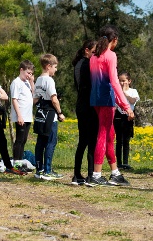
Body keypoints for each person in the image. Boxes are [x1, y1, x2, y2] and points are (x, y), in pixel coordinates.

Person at [89, 25, 134, 186]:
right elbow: (115, 82)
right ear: (114, 40)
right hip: (107, 100)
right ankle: (96, 174)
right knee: (103, 135)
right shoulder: (111, 55)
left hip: (95, 99)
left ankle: (115, 172)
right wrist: (126, 106)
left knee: (109, 135)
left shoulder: (94, 57)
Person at [33, 54, 65, 181]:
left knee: (40, 142)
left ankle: (39, 170)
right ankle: (47, 170)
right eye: (55, 67)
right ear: (48, 66)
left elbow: (35, 100)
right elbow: (54, 99)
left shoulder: (39, 80)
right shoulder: (49, 80)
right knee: (51, 142)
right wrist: (60, 112)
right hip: (50, 115)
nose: (56, 70)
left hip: (40, 114)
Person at [71, 40, 98, 185]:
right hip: (88, 106)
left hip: (81, 106)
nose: (95, 56)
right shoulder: (87, 64)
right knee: (91, 141)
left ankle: (77, 174)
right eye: (94, 52)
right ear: (86, 50)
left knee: (83, 141)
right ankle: (90, 175)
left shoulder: (78, 64)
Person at [10, 60, 35, 169]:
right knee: (19, 140)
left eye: (31, 73)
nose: (29, 75)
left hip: (28, 115)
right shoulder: (16, 82)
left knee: (24, 139)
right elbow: (14, 99)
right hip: (21, 115)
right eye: (27, 73)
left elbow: (33, 94)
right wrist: (19, 115)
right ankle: (17, 163)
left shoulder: (26, 82)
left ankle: (20, 161)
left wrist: (32, 82)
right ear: (21, 70)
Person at [114, 71, 139, 170]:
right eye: (119, 81)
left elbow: (133, 101)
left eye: (123, 81)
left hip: (128, 117)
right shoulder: (115, 91)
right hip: (118, 116)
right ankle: (118, 163)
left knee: (126, 140)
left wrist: (124, 92)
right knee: (119, 140)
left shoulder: (133, 91)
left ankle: (125, 162)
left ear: (129, 81)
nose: (121, 83)